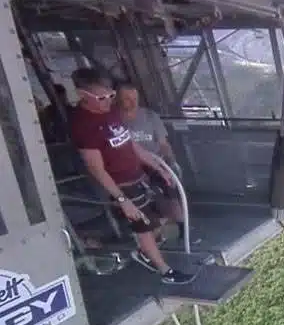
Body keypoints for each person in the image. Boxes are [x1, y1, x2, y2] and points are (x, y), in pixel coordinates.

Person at [69, 67, 194, 284]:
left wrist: (159, 167)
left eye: (111, 96)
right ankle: (165, 271)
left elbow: (131, 145)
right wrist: (122, 200)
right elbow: (96, 169)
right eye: (101, 98)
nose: (108, 101)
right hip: (122, 184)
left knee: (157, 217)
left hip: (138, 175)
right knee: (143, 227)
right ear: (82, 95)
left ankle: (146, 250)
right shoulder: (83, 125)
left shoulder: (111, 112)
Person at [115, 81, 200, 245]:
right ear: (117, 99)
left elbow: (163, 143)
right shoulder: (115, 120)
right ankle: (148, 231)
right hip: (129, 166)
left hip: (155, 161)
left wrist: (172, 162)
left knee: (169, 187)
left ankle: (182, 227)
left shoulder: (149, 116)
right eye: (127, 99)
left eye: (135, 98)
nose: (132, 103)